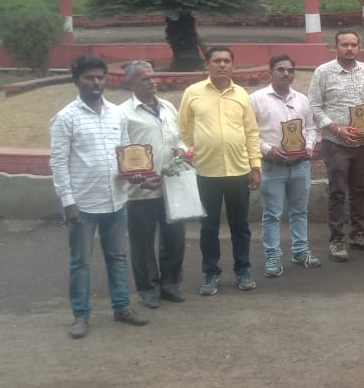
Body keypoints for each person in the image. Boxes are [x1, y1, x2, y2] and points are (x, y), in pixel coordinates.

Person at [51, 55, 149, 338]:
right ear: (76, 81)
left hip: (116, 200)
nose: (96, 83)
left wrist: (135, 173)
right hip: (83, 205)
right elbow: (58, 163)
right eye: (89, 78)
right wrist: (68, 202)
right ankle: (81, 315)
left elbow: (126, 152)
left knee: (117, 257)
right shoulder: (65, 118)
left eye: (100, 77)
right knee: (80, 262)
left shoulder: (117, 113)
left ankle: (122, 307)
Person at [179, 46, 262, 295]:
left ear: (233, 65)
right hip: (206, 172)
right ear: (207, 65)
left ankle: (243, 270)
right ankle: (210, 273)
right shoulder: (193, 93)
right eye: (217, 61)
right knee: (208, 227)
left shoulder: (241, 95)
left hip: (238, 170)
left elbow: (251, 132)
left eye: (227, 61)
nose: (222, 65)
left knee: (240, 226)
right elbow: (183, 130)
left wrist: (255, 166)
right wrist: (189, 152)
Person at [120, 60, 188, 308]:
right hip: (141, 190)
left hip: (172, 185)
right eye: (144, 78)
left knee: (175, 238)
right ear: (131, 84)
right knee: (143, 242)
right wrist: (137, 179)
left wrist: (182, 150)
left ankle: (171, 284)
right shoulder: (123, 113)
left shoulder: (168, 106)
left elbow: (180, 137)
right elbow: (121, 151)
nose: (151, 81)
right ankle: (148, 289)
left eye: (152, 77)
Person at [309, 30, 364, 262]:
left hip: (363, 142)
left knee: (359, 190)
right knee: (338, 191)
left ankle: (358, 234)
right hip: (336, 143)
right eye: (345, 44)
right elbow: (314, 106)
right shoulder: (323, 72)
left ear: (359, 47)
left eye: (353, 44)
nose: (349, 48)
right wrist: (336, 129)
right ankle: (337, 239)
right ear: (336, 47)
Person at [250, 54, 320, 278]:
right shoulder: (257, 99)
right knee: (272, 214)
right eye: (280, 69)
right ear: (270, 72)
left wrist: (309, 146)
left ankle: (300, 251)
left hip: (300, 165)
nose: (286, 74)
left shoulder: (302, 99)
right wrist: (267, 149)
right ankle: (273, 256)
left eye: (290, 70)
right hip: (272, 166)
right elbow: (249, 133)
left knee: (299, 211)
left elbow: (311, 128)